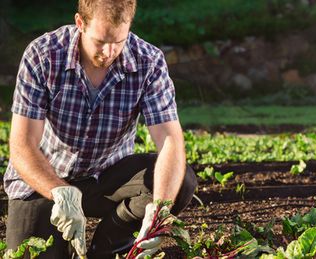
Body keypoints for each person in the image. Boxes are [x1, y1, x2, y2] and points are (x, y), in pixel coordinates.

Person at [4, 0, 197, 258]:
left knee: (181, 181)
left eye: (118, 41)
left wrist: (159, 209)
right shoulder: (43, 55)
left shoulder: (149, 62)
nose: (109, 52)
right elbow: (22, 145)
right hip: (46, 182)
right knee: (32, 254)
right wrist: (60, 192)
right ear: (80, 23)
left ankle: (111, 244)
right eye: (100, 41)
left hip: (107, 178)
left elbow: (170, 141)